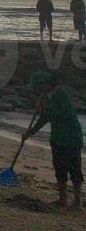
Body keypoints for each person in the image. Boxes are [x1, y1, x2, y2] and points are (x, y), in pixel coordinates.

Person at [23, 71, 83, 210]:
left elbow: (60, 113)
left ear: (43, 84)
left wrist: (44, 106)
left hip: (71, 137)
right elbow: (44, 119)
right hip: (57, 138)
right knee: (59, 168)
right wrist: (30, 132)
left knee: (74, 168)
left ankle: (77, 202)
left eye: (36, 86)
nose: (35, 90)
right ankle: (62, 199)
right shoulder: (46, 97)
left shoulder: (61, 92)